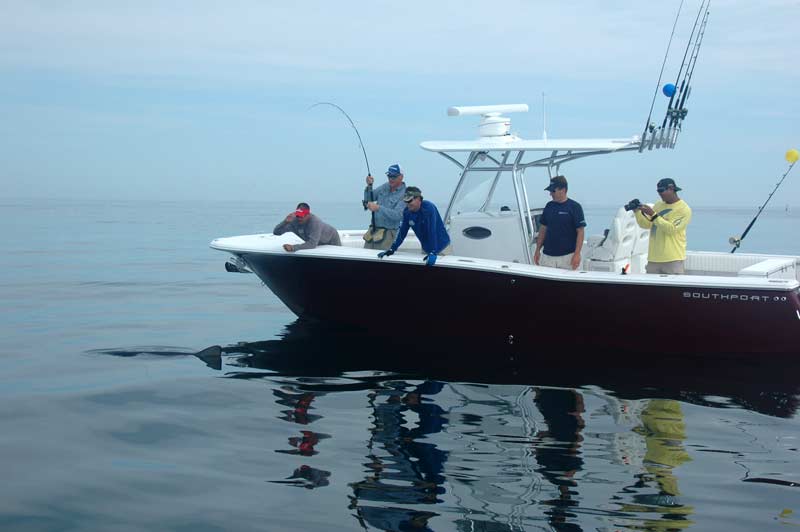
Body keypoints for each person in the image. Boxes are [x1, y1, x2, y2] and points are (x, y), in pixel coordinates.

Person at [377, 186, 451, 266]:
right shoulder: (407, 212)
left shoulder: (429, 208)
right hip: (427, 250)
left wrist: (433, 251)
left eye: (410, 201)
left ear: (419, 199)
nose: (408, 204)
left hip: (442, 247)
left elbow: (431, 231)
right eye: (406, 201)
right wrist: (392, 249)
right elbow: (402, 232)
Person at [634, 178, 692, 274]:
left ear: (671, 189)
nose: (659, 193)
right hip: (654, 259)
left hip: (673, 259)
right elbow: (646, 224)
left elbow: (672, 229)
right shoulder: (658, 205)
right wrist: (637, 212)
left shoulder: (684, 209)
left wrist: (653, 214)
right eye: (658, 191)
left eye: (662, 190)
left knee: (673, 289)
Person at [534, 175, 586, 270]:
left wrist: (577, 254)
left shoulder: (575, 207)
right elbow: (543, 229)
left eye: (553, 191)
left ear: (563, 190)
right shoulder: (549, 206)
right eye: (550, 191)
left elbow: (581, 232)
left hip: (568, 258)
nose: (551, 194)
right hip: (547, 257)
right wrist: (537, 250)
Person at [363, 164, 408, 250]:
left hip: (388, 234)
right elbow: (369, 198)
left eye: (394, 176)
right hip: (373, 231)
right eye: (389, 176)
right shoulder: (385, 186)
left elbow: (398, 215)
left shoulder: (405, 194)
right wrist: (369, 186)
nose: (391, 179)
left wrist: (378, 208)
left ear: (401, 177)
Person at [273, 203, 341, 252]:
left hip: (331, 238)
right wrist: (285, 222)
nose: (299, 218)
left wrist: (293, 247)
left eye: (302, 216)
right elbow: (276, 232)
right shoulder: (294, 221)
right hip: (318, 242)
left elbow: (312, 244)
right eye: (298, 216)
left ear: (308, 215)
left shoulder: (315, 222)